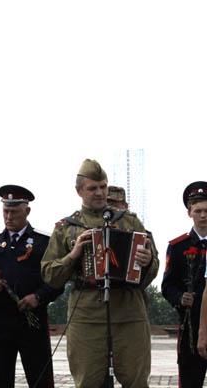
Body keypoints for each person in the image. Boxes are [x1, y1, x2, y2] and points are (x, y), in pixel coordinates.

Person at [40, 159, 158, 388]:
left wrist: (147, 261)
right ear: (79, 191)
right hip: (86, 314)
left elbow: (152, 268)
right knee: (88, 380)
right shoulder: (66, 227)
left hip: (129, 310)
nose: (100, 192)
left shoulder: (130, 221)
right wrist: (73, 255)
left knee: (136, 380)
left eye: (103, 186)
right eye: (92, 188)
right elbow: (49, 275)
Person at [0, 185, 62, 388]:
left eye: (14, 211)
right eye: (5, 211)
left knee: (40, 378)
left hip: (33, 322)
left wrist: (38, 297)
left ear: (27, 211)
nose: (9, 217)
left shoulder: (44, 243)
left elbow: (57, 281)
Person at [162, 181, 207, 387]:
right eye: (198, 211)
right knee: (190, 380)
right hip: (191, 324)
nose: (203, 215)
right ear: (189, 212)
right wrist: (180, 298)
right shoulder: (178, 247)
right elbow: (167, 286)